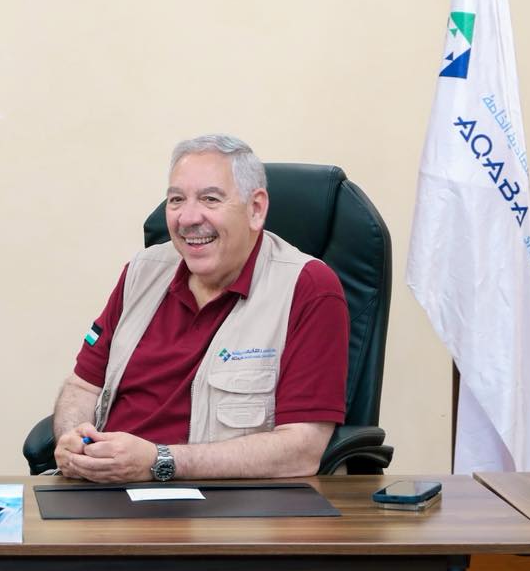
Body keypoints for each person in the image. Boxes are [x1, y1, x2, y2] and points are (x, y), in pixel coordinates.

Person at [52, 134, 347, 483]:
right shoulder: (141, 272)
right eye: (176, 200)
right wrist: (72, 440)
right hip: (104, 490)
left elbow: (302, 449)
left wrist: (159, 461)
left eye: (210, 199)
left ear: (255, 209)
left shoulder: (309, 287)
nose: (188, 218)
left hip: (220, 503)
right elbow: (83, 387)